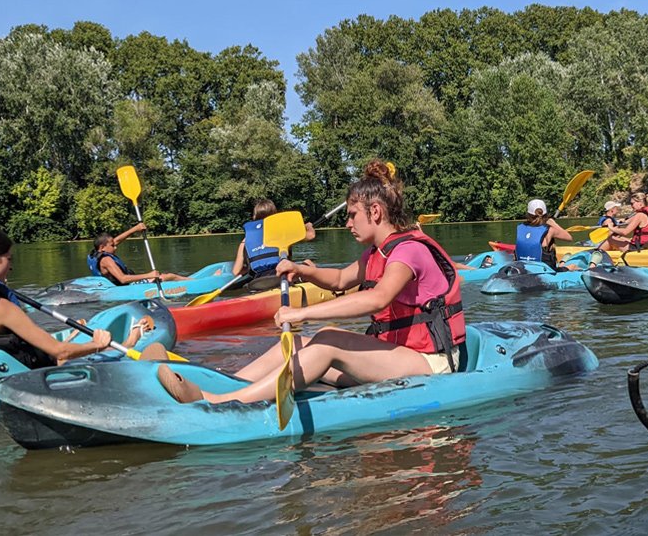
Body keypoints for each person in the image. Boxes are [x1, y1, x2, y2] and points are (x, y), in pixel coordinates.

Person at [156, 159, 467, 405]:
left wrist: (301, 313)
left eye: (352, 215)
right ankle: (223, 384)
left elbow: (377, 300)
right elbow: (342, 279)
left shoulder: (408, 251)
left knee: (329, 341)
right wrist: (303, 271)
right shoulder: (377, 252)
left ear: (375, 211)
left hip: (430, 365)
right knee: (301, 344)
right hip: (395, 355)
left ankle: (219, 402)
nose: (347, 224)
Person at [0, 227, 132, 369]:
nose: (11, 266)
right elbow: (61, 351)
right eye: (9, 259)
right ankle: (131, 339)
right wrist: (98, 345)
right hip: (28, 372)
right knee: (102, 348)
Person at [231, 199, 317, 279]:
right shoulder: (282, 233)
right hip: (283, 276)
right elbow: (311, 235)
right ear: (275, 215)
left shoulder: (245, 240)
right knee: (308, 262)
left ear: (254, 217)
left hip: (259, 280)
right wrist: (308, 226)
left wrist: (250, 268)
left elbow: (236, 272)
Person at [88, 223, 189, 285]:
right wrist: (148, 275)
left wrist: (135, 229)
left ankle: (189, 279)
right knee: (169, 276)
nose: (115, 247)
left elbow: (117, 240)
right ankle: (194, 283)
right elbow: (123, 279)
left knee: (165, 275)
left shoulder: (98, 252)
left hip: (121, 284)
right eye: (112, 245)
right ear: (102, 247)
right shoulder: (107, 260)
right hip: (128, 287)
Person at [515, 199, 572, 265]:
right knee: (571, 260)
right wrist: (553, 224)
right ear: (545, 214)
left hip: (522, 267)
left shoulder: (520, 227)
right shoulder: (550, 230)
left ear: (528, 215)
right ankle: (562, 263)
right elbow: (569, 238)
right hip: (545, 270)